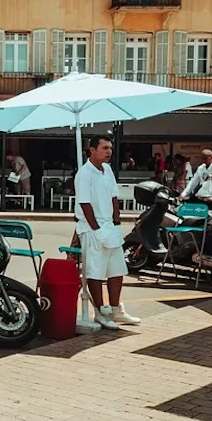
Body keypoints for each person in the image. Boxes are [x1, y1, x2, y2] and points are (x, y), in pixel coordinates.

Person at [74, 136, 141, 330]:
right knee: (95, 271)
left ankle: (115, 309)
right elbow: (84, 203)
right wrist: (96, 229)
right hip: (91, 228)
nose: (109, 151)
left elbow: (114, 196)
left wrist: (116, 222)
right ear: (92, 150)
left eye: (110, 148)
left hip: (110, 226)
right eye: (104, 148)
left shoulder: (108, 170)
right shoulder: (84, 173)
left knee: (117, 269)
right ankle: (101, 312)